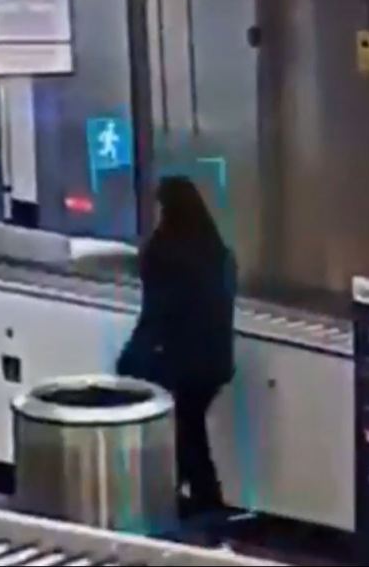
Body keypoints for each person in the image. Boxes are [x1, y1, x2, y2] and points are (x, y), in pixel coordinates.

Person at [117, 177, 237, 518]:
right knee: (189, 427)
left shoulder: (167, 252)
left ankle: (198, 502)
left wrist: (133, 355)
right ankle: (197, 499)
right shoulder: (216, 251)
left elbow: (158, 312)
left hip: (181, 362)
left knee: (185, 431)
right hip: (213, 363)